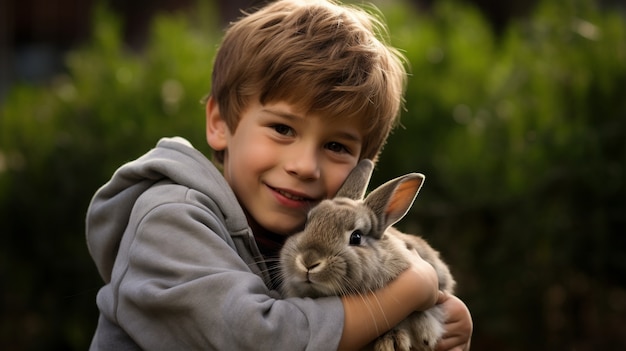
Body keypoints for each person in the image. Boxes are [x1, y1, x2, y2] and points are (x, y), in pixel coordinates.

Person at [85, 0, 473, 349]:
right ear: (221, 123)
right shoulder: (170, 219)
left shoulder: (304, 241)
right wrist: (412, 289)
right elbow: (260, 338)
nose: (304, 166)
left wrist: (432, 325)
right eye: (282, 129)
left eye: (336, 146)